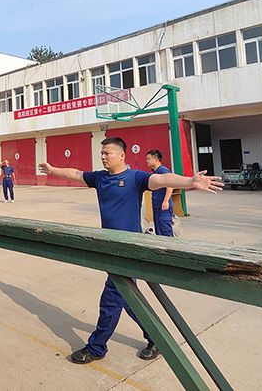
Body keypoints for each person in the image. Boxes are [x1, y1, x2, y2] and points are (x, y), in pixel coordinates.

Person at [38, 137, 222, 364]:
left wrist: (190, 181)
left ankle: (96, 347)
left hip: (128, 249)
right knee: (127, 298)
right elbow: (76, 174)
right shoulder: (100, 178)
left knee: (111, 300)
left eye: (108, 153)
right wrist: (52, 169)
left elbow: (163, 178)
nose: (103, 156)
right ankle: (157, 338)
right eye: (102, 153)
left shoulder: (135, 178)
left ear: (122, 156)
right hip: (110, 248)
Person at [146, 149, 175, 237]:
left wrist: (166, 201)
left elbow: (170, 185)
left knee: (165, 230)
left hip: (163, 207)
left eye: (148, 159)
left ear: (156, 159)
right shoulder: (155, 172)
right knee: (159, 230)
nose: (146, 161)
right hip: (157, 206)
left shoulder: (163, 170)